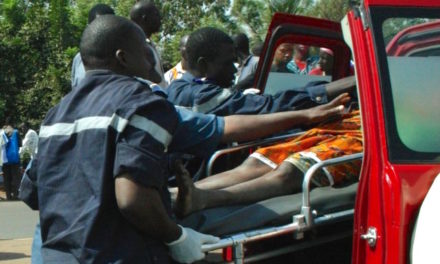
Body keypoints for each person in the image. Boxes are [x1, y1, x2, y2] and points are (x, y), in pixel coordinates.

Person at [20, 15, 349, 264]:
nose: (154, 66)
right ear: (122, 57)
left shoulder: (56, 114)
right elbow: (132, 198)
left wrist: (305, 116)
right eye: (147, 55)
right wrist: (177, 237)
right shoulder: (142, 103)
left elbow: (34, 193)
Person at [173, 110, 362, 218]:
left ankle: (204, 198)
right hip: (337, 127)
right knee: (257, 161)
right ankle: (177, 194)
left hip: (365, 135)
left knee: (291, 169)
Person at [167, 27, 356, 116]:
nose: (234, 70)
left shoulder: (176, 88)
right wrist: (351, 83)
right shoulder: (203, 96)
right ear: (203, 65)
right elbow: (270, 105)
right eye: (227, 63)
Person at [71, 4, 115, 89]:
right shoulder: (79, 59)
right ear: (89, 27)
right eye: (97, 25)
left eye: (107, 26)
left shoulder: (122, 58)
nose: (102, 31)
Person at [130, 0, 167, 88]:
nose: (160, 18)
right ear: (145, 18)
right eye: (156, 14)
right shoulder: (135, 47)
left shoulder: (150, 44)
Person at [2, 122, 20, 200]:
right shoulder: (16, 132)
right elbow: (20, 144)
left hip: (4, 159)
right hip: (15, 158)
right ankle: (15, 195)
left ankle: (8, 196)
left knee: (6, 178)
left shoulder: (1, 133)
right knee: (15, 177)